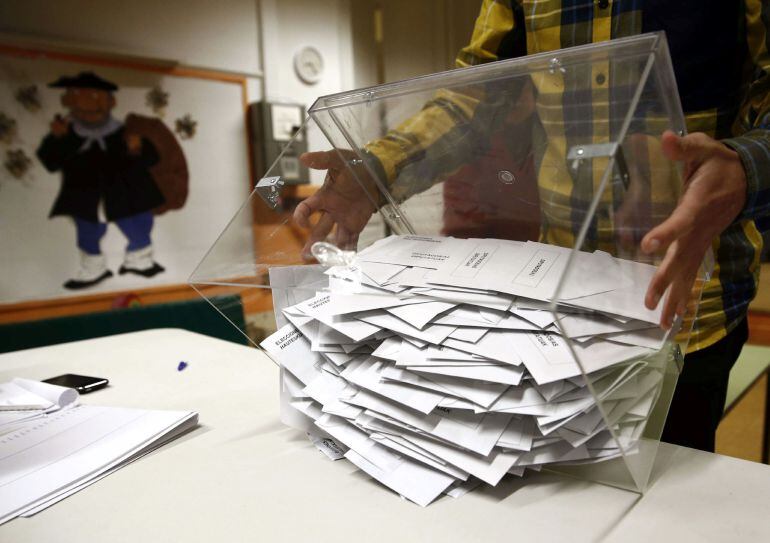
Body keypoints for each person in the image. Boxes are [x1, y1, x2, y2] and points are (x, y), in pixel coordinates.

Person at [292, 1, 770, 453]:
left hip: (688, 294)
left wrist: (745, 167)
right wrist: (379, 169)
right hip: (557, 298)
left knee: (674, 499)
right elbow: (477, 94)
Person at [37, 71, 166, 290]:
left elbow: (152, 158)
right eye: (78, 95)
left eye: (96, 96)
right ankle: (93, 268)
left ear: (111, 101)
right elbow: (50, 162)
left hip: (127, 193)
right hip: (86, 195)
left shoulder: (125, 132)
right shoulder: (66, 134)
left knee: (140, 224)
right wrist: (61, 140)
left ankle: (139, 259)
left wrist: (138, 149)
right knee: (88, 230)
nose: (88, 102)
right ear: (67, 100)